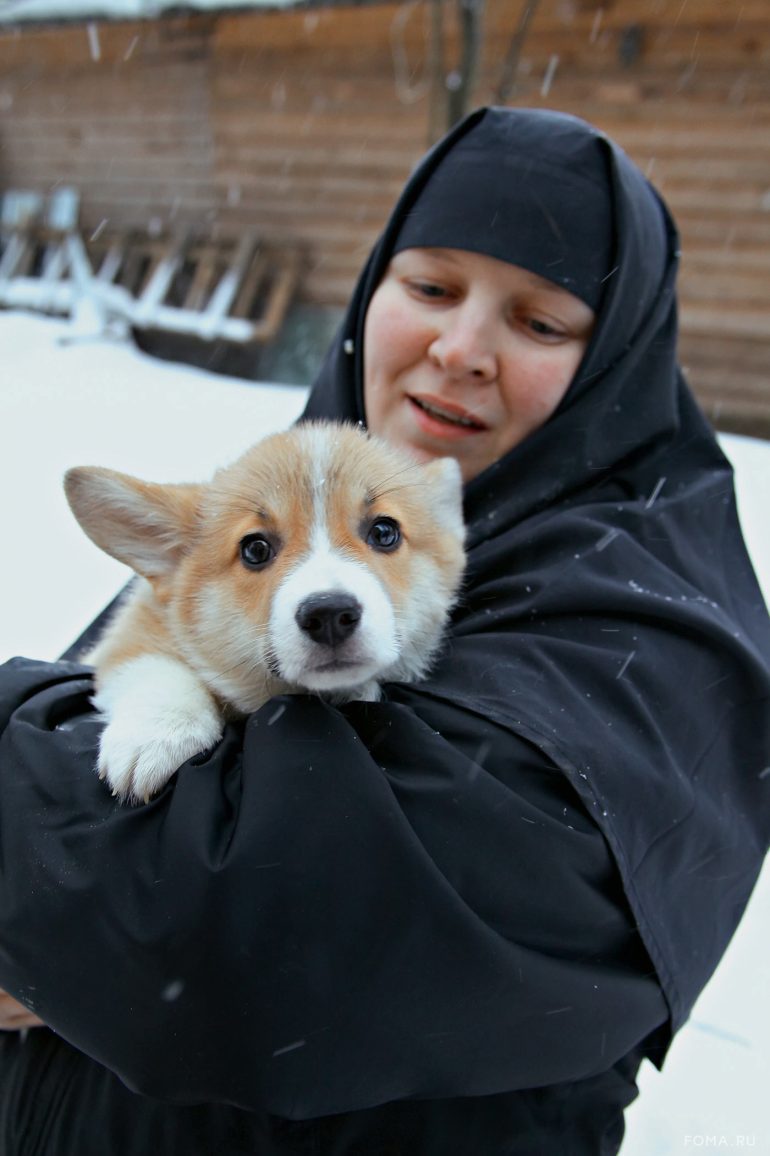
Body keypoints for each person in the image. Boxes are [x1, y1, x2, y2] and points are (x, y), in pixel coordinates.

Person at [0, 106, 768, 1155]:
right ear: (373, 292)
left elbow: (243, 918)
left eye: (538, 323)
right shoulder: (282, 484)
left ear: (613, 357)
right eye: (430, 287)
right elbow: (94, 715)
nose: (459, 350)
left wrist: (43, 935)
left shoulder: (643, 618)